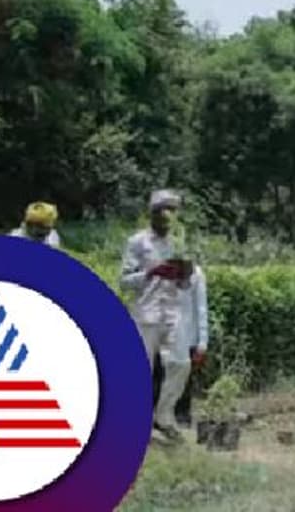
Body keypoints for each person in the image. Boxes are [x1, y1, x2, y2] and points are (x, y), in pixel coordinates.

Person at [121, 189, 195, 444]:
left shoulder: (178, 243)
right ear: (152, 214)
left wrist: (185, 275)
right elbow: (124, 281)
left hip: (172, 312)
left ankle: (164, 416)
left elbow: (185, 285)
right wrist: (152, 272)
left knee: (181, 363)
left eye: (172, 211)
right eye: (163, 211)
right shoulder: (138, 242)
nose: (167, 216)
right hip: (146, 312)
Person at [151, 257, 208, 427]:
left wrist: (202, 341)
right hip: (161, 334)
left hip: (186, 335)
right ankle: (156, 417)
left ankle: (181, 416)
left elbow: (201, 308)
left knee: (183, 379)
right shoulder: (158, 272)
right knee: (158, 376)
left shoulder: (196, 275)